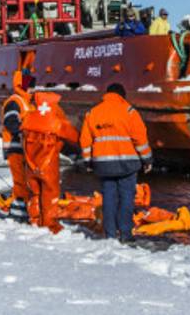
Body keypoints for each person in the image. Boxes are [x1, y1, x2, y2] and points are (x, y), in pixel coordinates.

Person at [79, 83, 153, 241]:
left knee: (109, 199)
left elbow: (85, 140)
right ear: (122, 96)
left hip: (104, 165)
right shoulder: (129, 112)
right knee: (126, 197)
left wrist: (88, 162)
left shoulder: (93, 112)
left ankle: (110, 235)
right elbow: (140, 139)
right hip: (128, 164)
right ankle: (126, 234)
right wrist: (147, 159)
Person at [20, 90, 78, 233]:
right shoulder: (56, 122)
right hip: (48, 165)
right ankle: (49, 224)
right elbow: (74, 137)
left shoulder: (28, 118)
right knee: (49, 193)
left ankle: (34, 219)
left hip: (30, 165)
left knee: (34, 193)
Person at [1, 69, 35, 221]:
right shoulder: (15, 101)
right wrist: (24, 131)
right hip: (16, 148)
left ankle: (24, 211)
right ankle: (19, 215)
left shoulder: (26, 102)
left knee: (26, 182)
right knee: (21, 183)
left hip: (24, 148)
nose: (34, 89)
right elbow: (11, 122)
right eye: (32, 85)